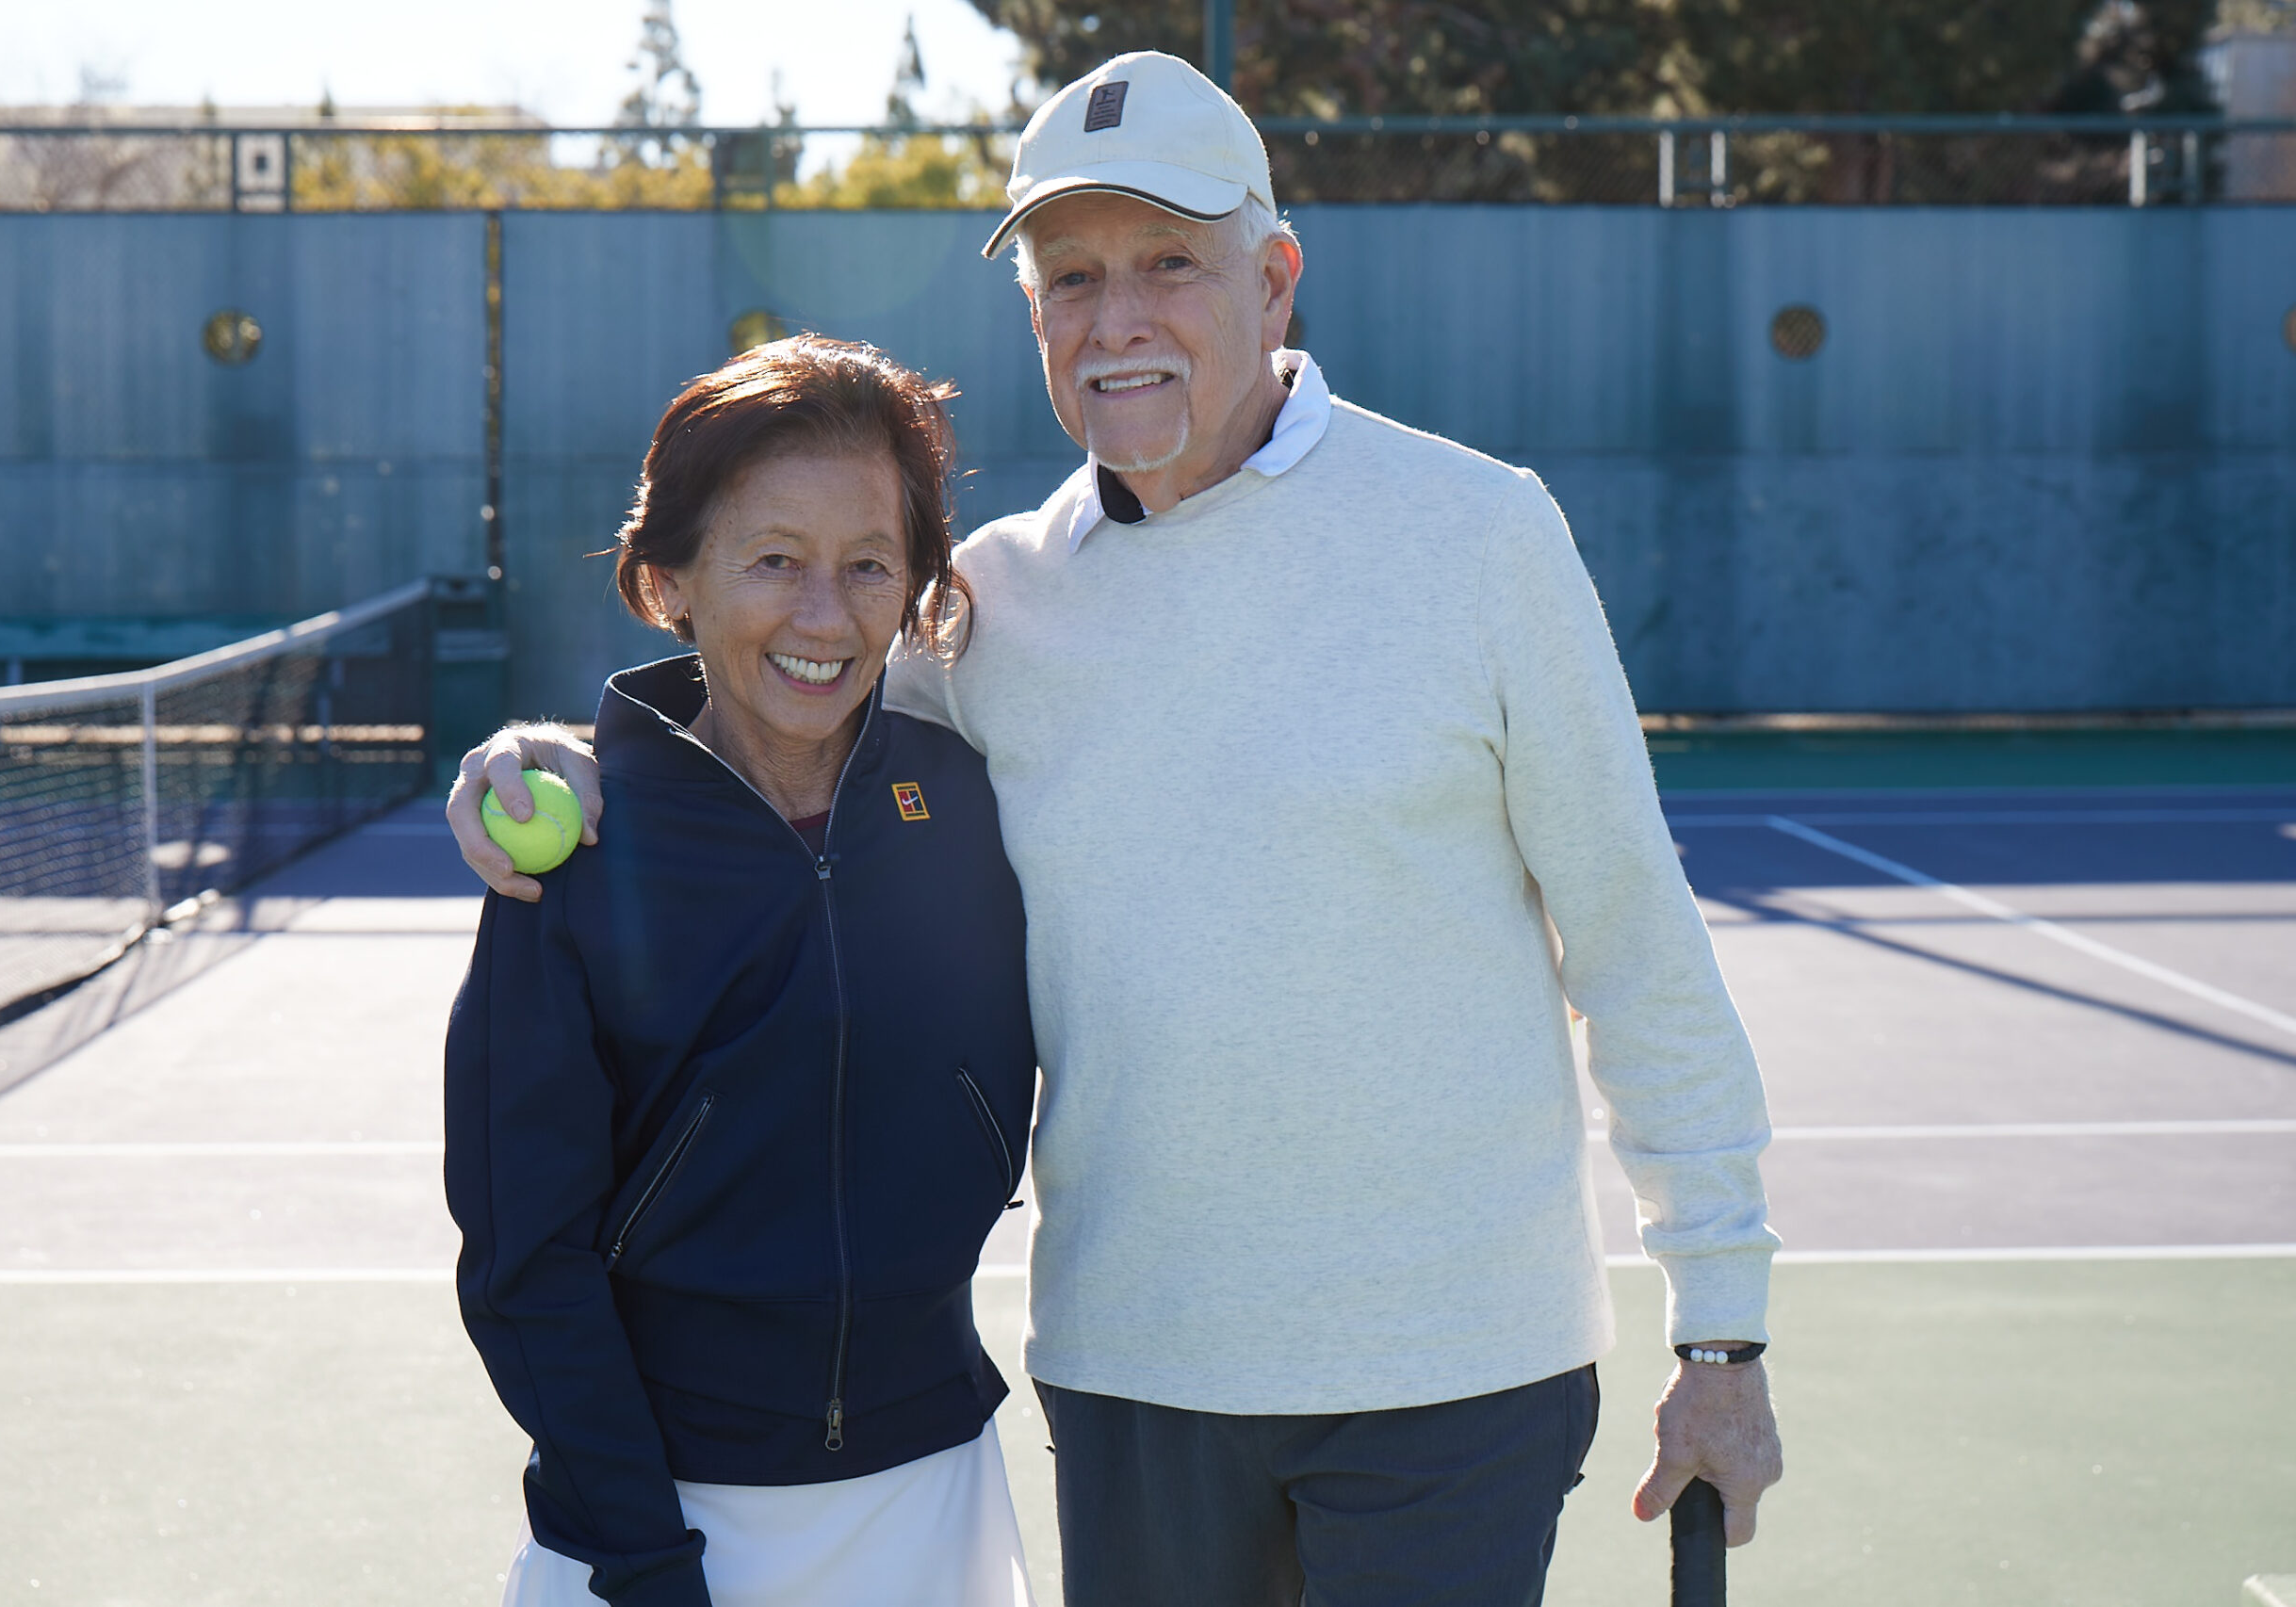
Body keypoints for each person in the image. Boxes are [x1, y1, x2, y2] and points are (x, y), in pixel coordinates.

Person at [452, 52, 1783, 1607]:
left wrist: (1722, 1332)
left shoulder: (1485, 534)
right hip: (1134, 1379)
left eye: (1169, 262)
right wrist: (554, 751)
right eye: (1071, 277)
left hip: (1454, 1370)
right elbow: (776, 696)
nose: (1117, 317)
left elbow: (1636, 943)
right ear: (1035, 317)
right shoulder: (989, 608)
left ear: (1273, 280)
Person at [446, 337, 1039, 1607]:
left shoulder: (973, 805)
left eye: (868, 564)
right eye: (774, 560)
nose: (824, 617)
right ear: (670, 580)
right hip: (656, 1529)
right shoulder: (576, 849)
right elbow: (522, 1263)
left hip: (936, 1497)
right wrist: (646, 1559)